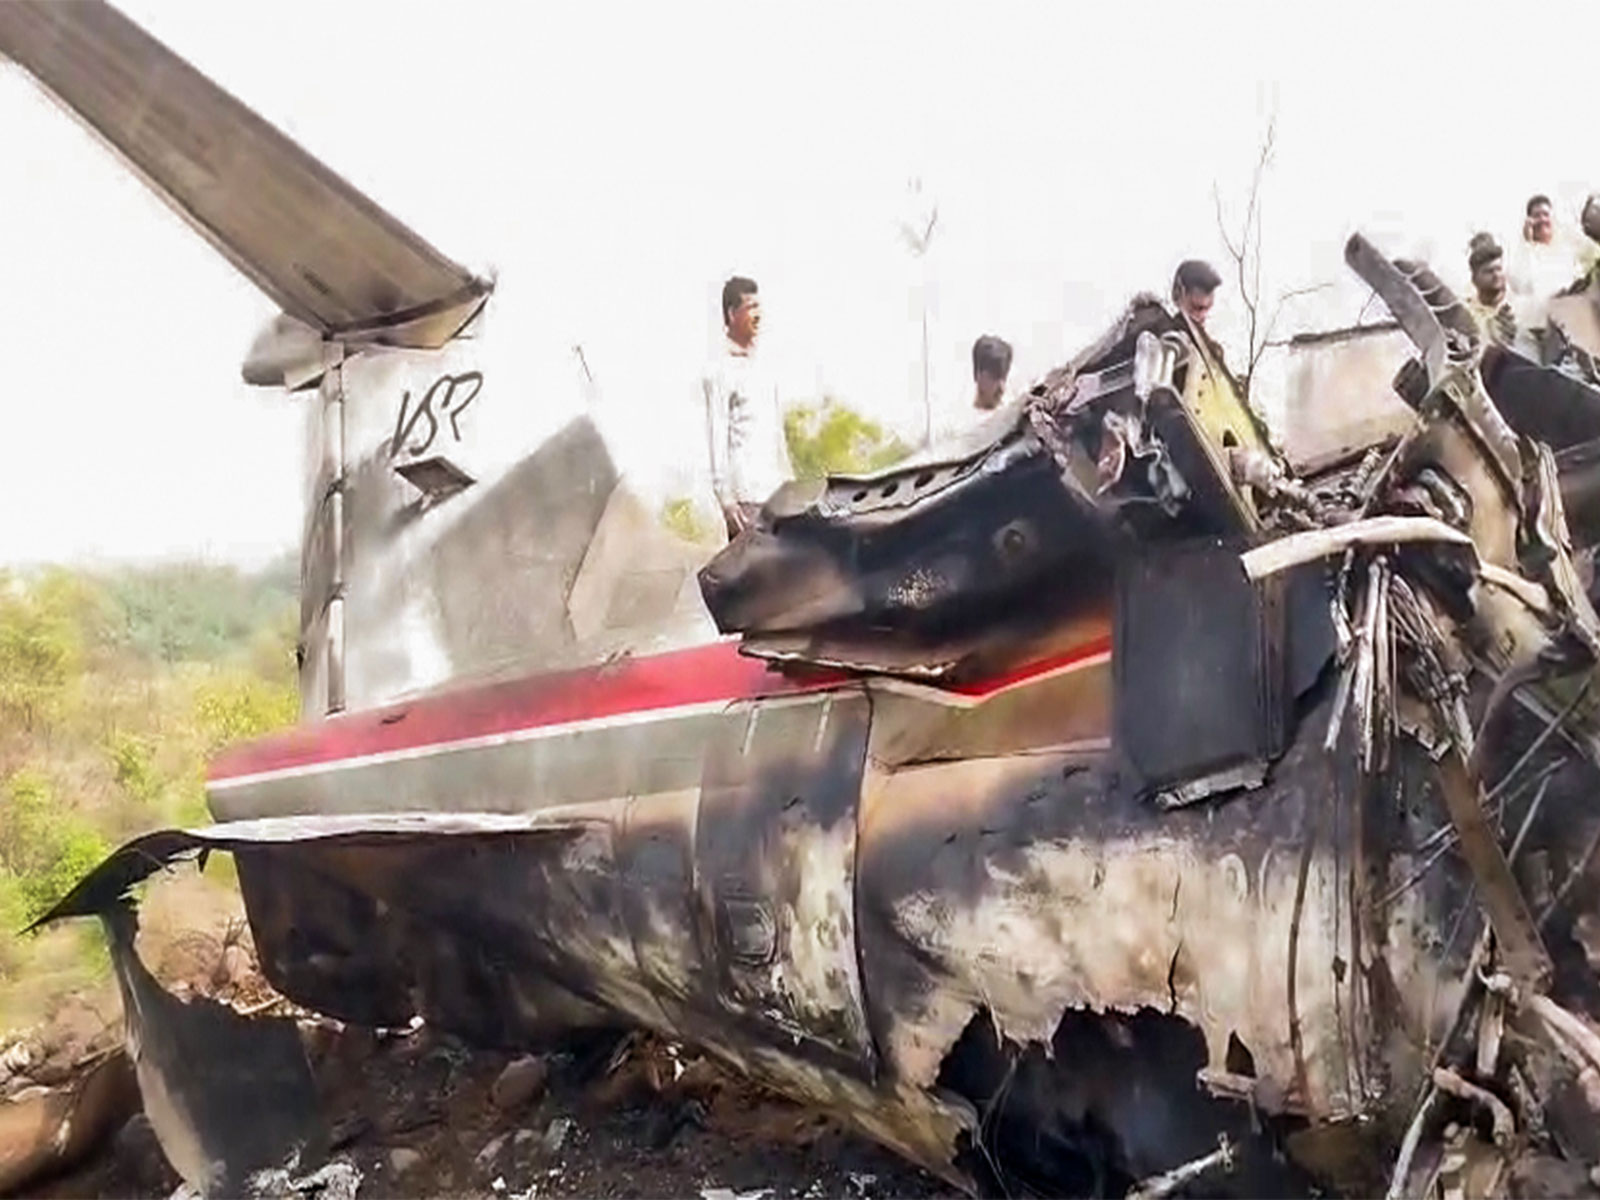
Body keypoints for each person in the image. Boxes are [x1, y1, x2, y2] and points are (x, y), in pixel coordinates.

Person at [701, 275, 794, 541]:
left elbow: (776, 433)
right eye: (751, 307)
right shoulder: (720, 370)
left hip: (777, 494)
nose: (758, 314)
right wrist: (726, 499)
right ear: (732, 313)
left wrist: (790, 482)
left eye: (759, 307)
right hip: (746, 498)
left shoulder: (764, 368)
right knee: (755, 578)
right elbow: (717, 436)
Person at [1465, 232, 1517, 346]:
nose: (1496, 275)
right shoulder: (1467, 314)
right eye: (1488, 271)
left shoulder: (1518, 308)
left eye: (1498, 269)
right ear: (1474, 278)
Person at [1171, 259, 1222, 330]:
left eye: (1207, 309)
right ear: (1180, 294)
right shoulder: (1169, 338)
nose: (1203, 317)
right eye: (1197, 308)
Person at [971, 335, 1013, 413]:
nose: (1001, 387)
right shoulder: (961, 422)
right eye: (995, 377)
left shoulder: (1014, 416)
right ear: (978, 376)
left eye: (1004, 377)